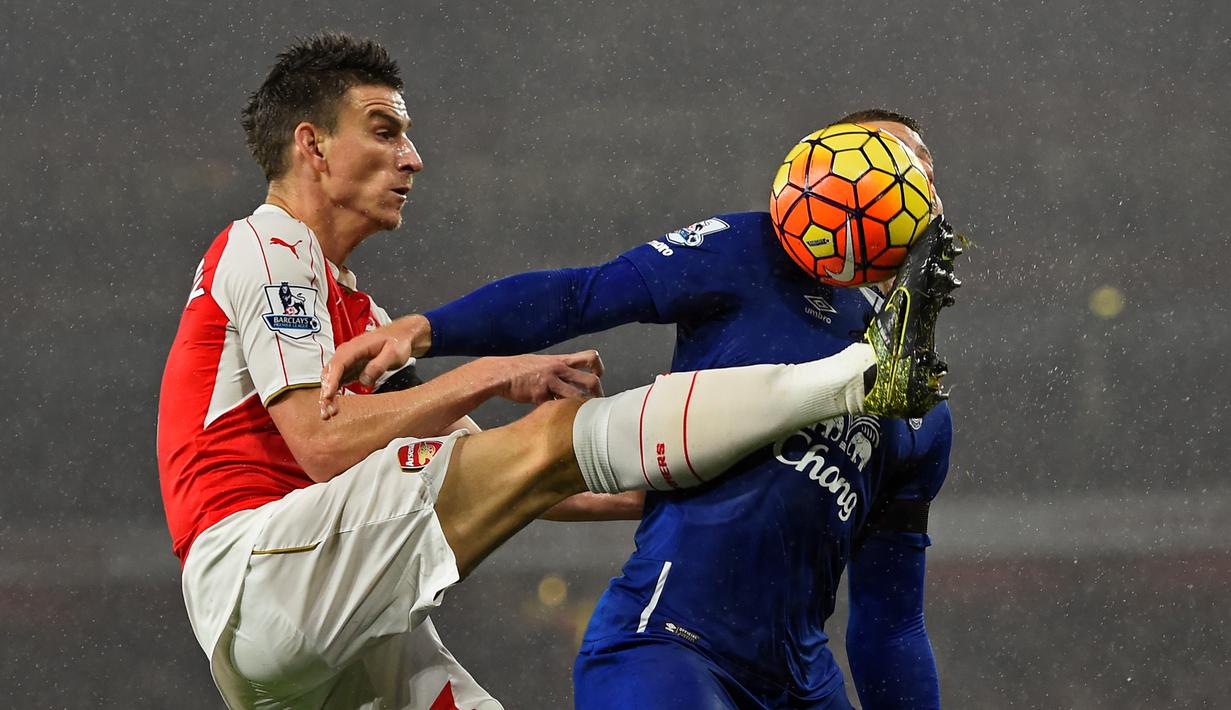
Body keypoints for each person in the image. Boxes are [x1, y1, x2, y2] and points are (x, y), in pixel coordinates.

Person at [156, 33, 954, 710]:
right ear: (311, 143)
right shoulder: (268, 244)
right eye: (385, 129)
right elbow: (322, 446)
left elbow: (514, 474)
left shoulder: (353, 316)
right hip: (260, 575)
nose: (414, 157)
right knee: (558, 434)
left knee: (537, 454)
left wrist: (709, 479)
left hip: (317, 633)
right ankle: (853, 377)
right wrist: (492, 371)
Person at [319, 110, 960, 708]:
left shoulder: (923, 409)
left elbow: (890, 624)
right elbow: (582, 295)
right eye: (869, 153)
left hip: (802, 682)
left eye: (914, 163)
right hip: (669, 647)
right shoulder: (749, 253)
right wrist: (427, 330)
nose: (882, 173)